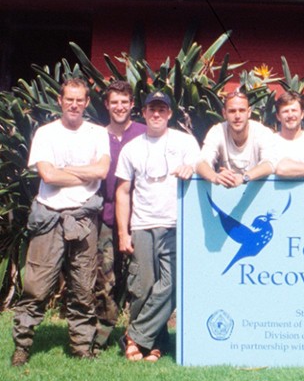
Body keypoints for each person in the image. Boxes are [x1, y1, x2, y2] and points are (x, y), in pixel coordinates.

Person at [12, 78, 110, 366]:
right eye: (70, 99)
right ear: (60, 100)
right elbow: (48, 176)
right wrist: (84, 173)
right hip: (49, 215)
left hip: (83, 217)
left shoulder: (97, 133)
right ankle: (22, 345)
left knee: (83, 285)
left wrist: (65, 170)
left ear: (87, 102)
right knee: (37, 286)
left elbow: (101, 170)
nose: (75, 104)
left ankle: (81, 346)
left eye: (80, 100)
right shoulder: (45, 133)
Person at [115, 91, 200, 362]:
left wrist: (192, 167)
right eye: (152, 109)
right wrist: (122, 232)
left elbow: (201, 167)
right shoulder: (132, 148)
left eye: (162, 109)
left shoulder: (185, 142)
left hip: (175, 223)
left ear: (169, 113)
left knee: (172, 283)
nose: (156, 114)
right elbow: (122, 191)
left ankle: (134, 336)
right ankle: (153, 343)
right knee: (143, 285)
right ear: (144, 111)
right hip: (142, 224)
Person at [92, 80, 146, 353]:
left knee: (138, 278)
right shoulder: (98, 136)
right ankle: (101, 336)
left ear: (132, 104)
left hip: (141, 216)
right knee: (105, 279)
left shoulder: (145, 133)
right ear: (107, 105)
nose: (120, 107)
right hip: (106, 217)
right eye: (114, 102)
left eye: (125, 102)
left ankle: (137, 337)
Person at [196, 90, 274, 187]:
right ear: (224, 113)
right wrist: (215, 177)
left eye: (242, 110)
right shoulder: (217, 131)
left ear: (249, 112)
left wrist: (243, 178)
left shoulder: (262, 132)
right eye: (232, 111)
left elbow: (269, 164)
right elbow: (201, 163)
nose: (237, 116)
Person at [262, 91, 304, 167]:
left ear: (302, 114)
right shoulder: (269, 142)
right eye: (285, 111)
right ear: (278, 116)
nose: (290, 115)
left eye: (294, 110)